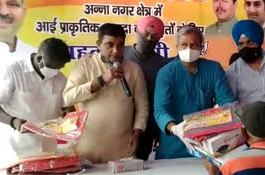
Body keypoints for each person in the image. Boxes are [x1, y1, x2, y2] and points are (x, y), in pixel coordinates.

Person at [0, 38, 72, 175]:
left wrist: (68, 115)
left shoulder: (60, 79)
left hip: (46, 151)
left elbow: (67, 106)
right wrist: (13, 121)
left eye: (59, 67)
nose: (56, 71)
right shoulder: (14, 71)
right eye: (52, 67)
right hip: (13, 150)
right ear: (40, 58)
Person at [63, 23, 149, 163]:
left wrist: (137, 133)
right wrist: (101, 81)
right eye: (109, 45)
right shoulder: (85, 65)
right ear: (98, 44)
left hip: (122, 150)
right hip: (87, 150)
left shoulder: (134, 69)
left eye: (120, 45)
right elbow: (68, 98)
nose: (115, 51)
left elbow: (142, 106)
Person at [154, 26, 235, 160]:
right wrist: (175, 129)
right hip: (173, 149)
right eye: (184, 45)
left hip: (205, 146)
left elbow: (227, 102)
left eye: (194, 45)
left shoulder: (214, 69)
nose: (189, 49)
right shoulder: (166, 73)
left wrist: (225, 120)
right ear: (177, 46)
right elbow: (160, 110)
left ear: (201, 47)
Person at [123, 16, 168, 160]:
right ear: (137, 31)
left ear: (160, 38)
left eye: (154, 36)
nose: (149, 39)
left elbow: (159, 100)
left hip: (145, 129)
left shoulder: (162, 65)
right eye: (145, 34)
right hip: (118, 124)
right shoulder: (120, 54)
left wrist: (156, 129)